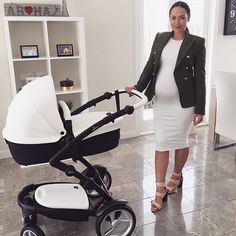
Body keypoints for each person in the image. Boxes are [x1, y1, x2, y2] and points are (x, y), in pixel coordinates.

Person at [125, 1, 206, 212]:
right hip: (161, 102)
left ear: (188, 19)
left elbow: (200, 77)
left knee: (180, 141)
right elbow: (150, 66)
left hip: (184, 105)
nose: (177, 21)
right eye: (173, 17)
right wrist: (138, 87)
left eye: (182, 17)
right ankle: (159, 190)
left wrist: (200, 108)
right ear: (169, 19)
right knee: (161, 143)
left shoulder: (196, 43)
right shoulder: (161, 38)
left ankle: (176, 175)